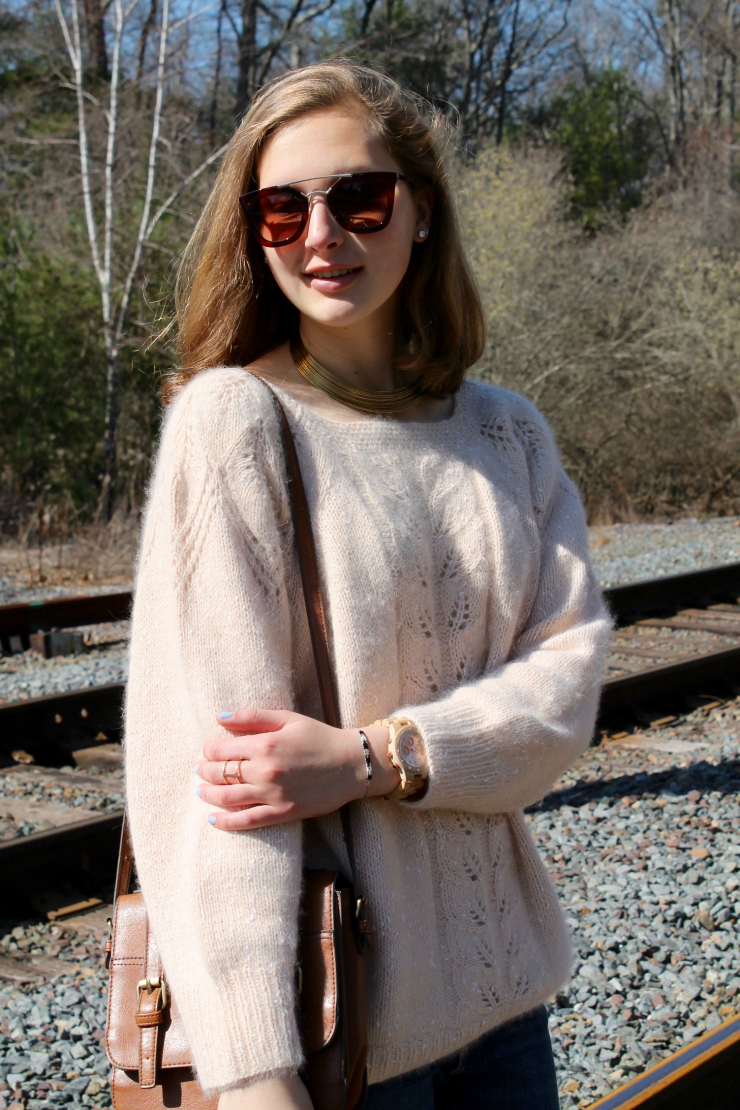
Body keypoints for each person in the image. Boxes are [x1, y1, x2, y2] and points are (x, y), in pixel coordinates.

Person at [125, 60, 611, 1110]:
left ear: (419, 211)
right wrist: (254, 1075)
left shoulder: (507, 436)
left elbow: (564, 690)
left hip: (504, 1010)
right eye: (280, 208)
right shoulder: (234, 426)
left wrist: (371, 757)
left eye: (358, 197)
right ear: (251, 232)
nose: (320, 234)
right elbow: (212, 788)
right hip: (337, 1038)